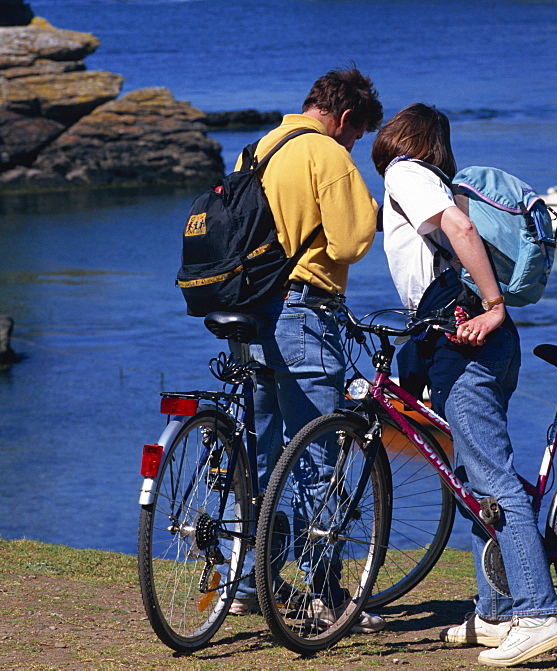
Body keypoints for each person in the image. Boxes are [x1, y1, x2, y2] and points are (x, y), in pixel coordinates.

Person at [371, 103, 557, 667]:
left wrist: (495, 305)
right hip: (464, 340)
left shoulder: (405, 172)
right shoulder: (427, 179)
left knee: (493, 479)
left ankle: (536, 614)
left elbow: (459, 229)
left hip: (467, 335)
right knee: (472, 481)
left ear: (400, 138)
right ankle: (495, 612)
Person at [230, 67, 385, 633]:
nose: (354, 145)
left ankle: (250, 583)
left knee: (265, 454)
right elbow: (349, 241)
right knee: (322, 455)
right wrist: (364, 204)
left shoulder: (262, 146)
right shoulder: (327, 154)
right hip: (302, 310)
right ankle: (326, 597)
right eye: (358, 135)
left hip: (251, 312)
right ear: (345, 119)